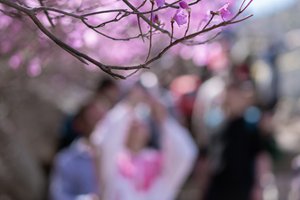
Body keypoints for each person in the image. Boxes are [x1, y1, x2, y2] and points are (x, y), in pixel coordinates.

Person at [92, 84, 198, 200]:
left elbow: (185, 153)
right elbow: (103, 142)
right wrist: (127, 106)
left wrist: (164, 120)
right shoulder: (114, 162)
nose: (137, 126)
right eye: (132, 123)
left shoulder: (160, 165)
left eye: (141, 123)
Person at [50, 99, 108, 200]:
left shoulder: (120, 158)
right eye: (93, 117)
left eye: (102, 117)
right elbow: (58, 195)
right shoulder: (66, 159)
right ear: (80, 124)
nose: (99, 122)